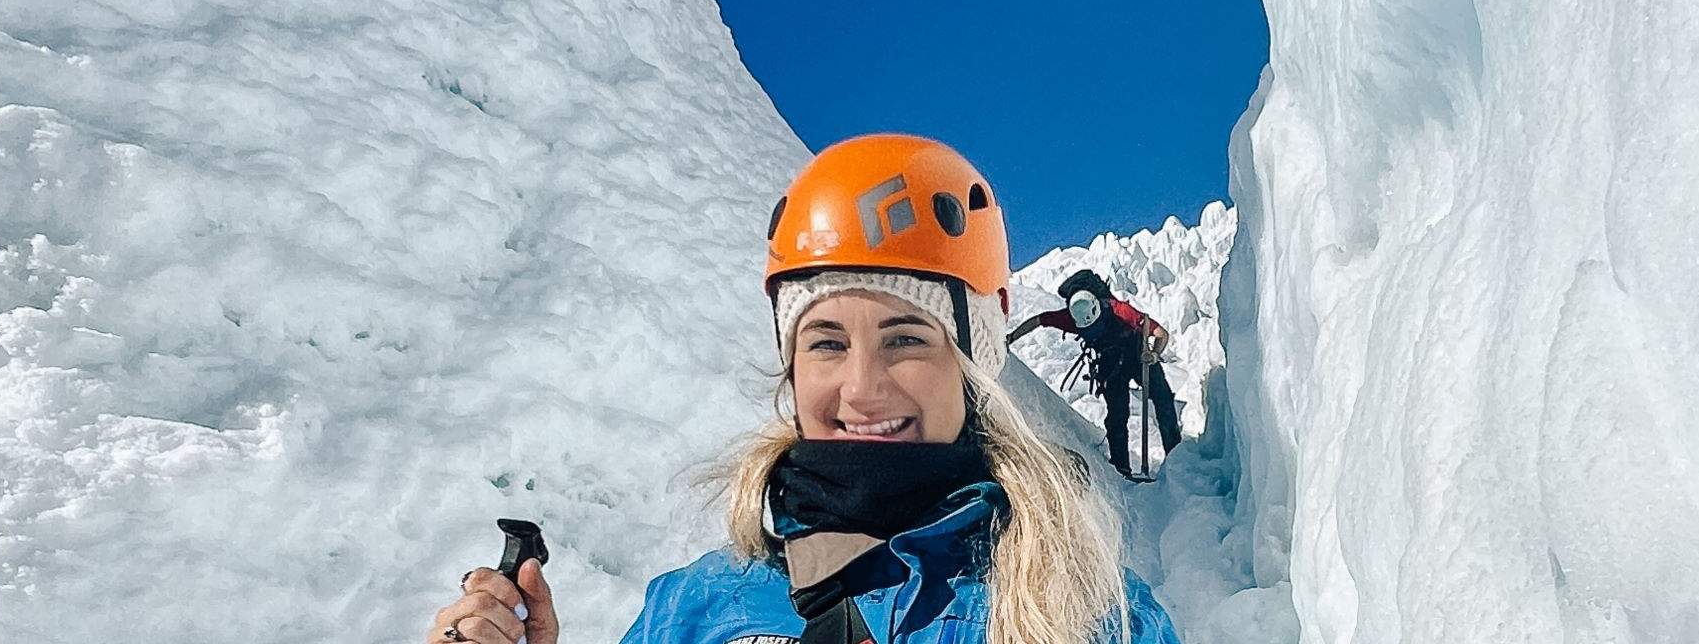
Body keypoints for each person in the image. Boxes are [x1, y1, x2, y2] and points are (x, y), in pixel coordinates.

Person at [429, 134, 1181, 644]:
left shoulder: (1093, 615)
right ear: (792, 368)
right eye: (826, 343)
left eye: (906, 339)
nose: (862, 387)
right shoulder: (698, 608)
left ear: (972, 361)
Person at [1004, 270, 1179, 482]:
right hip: (1110, 363)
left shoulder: (1120, 311)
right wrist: (1011, 337)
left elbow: (1161, 334)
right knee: (1117, 415)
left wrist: (1154, 354)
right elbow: (1039, 320)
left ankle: (1175, 456)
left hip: (1137, 354)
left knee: (1162, 398)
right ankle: (1121, 470)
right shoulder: (1070, 317)